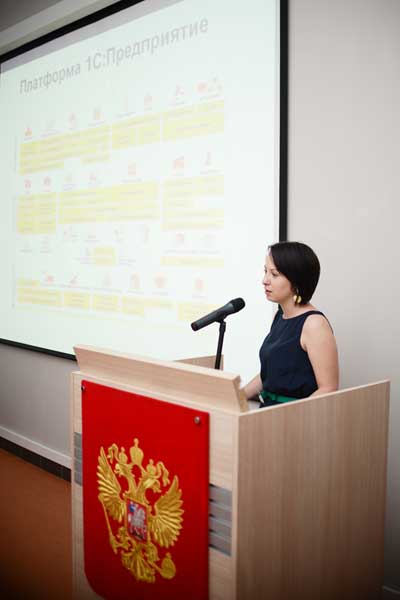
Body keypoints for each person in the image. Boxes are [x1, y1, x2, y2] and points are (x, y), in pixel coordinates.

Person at [243, 241, 338, 406]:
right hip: (267, 411)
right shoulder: (279, 316)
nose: (265, 280)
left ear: (296, 280)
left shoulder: (314, 324)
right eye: (266, 271)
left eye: (274, 274)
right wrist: (237, 396)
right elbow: (271, 376)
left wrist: (292, 416)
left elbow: (328, 389)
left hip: (294, 416)